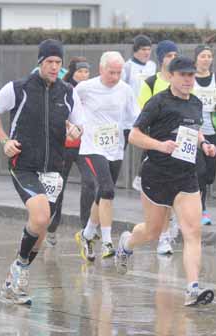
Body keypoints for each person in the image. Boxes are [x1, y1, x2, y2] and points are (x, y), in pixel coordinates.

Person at [0, 39, 84, 305]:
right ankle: (19, 268)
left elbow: (78, 124)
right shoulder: (19, 88)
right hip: (23, 164)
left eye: (58, 63)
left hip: (54, 169)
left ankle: (14, 280)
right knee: (40, 216)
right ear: (40, 62)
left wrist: (76, 130)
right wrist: (5, 141)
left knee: (42, 225)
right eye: (49, 62)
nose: (54, 67)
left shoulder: (67, 92)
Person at [116, 56, 216, 306]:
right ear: (170, 76)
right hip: (157, 175)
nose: (187, 80)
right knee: (152, 231)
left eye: (191, 75)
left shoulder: (195, 103)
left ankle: (192, 288)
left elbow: (194, 130)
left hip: (185, 176)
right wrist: (160, 145)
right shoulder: (158, 102)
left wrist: (204, 143)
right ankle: (126, 243)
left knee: (192, 232)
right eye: (182, 75)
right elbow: (135, 136)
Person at [74, 51, 139, 261]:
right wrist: (74, 126)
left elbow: (133, 117)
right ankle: (107, 241)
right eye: (111, 72)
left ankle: (86, 235)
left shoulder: (125, 90)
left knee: (103, 193)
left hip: (115, 147)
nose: (115, 77)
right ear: (101, 69)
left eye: (119, 72)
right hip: (92, 146)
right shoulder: (85, 87)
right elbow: (70, 109)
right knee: (108, 190)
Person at [135, 40, 179, 255]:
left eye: (175, 55)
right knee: (160, 195)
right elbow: (142, 116)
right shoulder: (151, 83)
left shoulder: (184, 82)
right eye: (169, 56)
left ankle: (168, 232)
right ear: (161, 59)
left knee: (174, 192)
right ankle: (161, 235)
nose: (172, 59)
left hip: (179, 147)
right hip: (156, 146)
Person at [45, 57, 93, 247]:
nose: (83, 75)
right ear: (72, 73)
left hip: (84, 146)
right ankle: (51, 228)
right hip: (63, 146)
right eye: (80, 71)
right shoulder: (63, 90)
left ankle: (85, 229)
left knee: (91, 182)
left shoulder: (92, 90)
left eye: (86, 72)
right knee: (58, 188)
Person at [193, 44, 216, 225]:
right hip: (193, 132)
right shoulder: (189, 79)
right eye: (202, 56)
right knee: (199, 170)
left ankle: (197, 201)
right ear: (196, 59)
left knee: (209, 173)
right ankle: (201, 208)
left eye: (209, 56)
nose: (206, 59)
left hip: (212, 130)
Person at [122, 34, 157, 147]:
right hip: (130, 115)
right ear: (136, 50)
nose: (147, 52)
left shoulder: (152, 66)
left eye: (149, 49)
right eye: (143, 49)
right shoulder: (127, 66)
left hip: (148, 113)